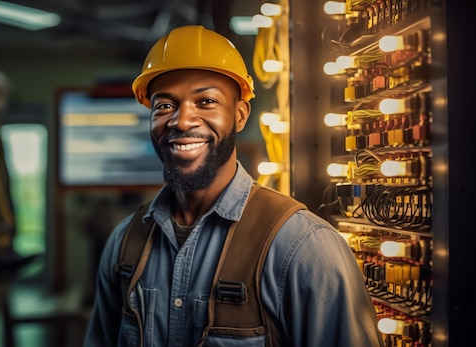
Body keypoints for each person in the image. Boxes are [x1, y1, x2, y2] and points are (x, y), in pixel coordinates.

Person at [83, 25, 383, 347]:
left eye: (206, 101)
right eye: (165, 106)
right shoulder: (124, 244)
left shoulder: (304, 248)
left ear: (240, 115)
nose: (182, 121)